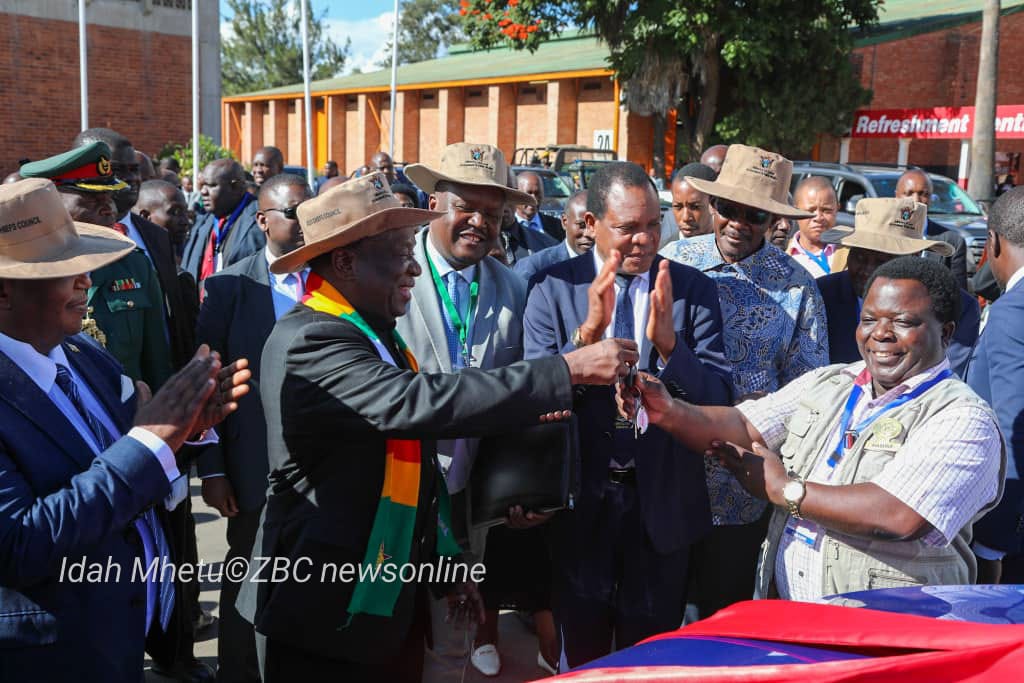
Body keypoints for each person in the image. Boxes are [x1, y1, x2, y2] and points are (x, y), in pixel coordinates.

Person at [234, 173, 638, 682]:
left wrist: (447, 569)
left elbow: (417, 465)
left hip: (387, 599)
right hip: (321, 608)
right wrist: (567, 368)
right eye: (399, 252)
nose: (412, 266)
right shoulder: (312, 340)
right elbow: (418, 404)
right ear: (344, 261)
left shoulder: (374, 333)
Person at [621, 256, 1004, 602]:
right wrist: (668, 411)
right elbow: (742, 423)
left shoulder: (964, 418)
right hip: (799, 626)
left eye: (903, 322)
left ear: (947, 334)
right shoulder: (832, 381)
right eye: (869, 319)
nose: (881, 334)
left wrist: (782, 489)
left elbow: (898, 515)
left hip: (890, 638)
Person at [0, 177, 249, 683]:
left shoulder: (84, 354)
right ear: (6, 290)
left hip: (116, 634)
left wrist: (183, 434)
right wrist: (152, 439)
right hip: (45, 658)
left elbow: (126, 468)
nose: (85, 282)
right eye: (63, 271)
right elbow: (20, 544)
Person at [524, 161, 734, 669]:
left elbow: (719, 397)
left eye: (652, 225)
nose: (642, 240)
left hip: (661, 504)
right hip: (581, 504)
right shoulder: (551, 287)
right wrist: (585, 343)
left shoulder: (690, 289)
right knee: (585, 655)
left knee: (651, 658)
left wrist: (670, 345)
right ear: (592, 224)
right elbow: (531, 397)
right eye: (626, 228)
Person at [400, 144, 557, 676]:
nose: (479, 223)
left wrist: (523, 491)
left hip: (467, 507)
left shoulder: (514, 289)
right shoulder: (389, 273)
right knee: (385, 637)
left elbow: (521, 402)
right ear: (432, 201)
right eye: (465, 206)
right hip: (389, 496)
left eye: (492, 214)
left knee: (453, 637)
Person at [661, 144, 828, 619]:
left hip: (741, 488)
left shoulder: (798, 287)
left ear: (772, 218)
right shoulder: (674, 261)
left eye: (752, 213)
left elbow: (810, 392)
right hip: (670, 472)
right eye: (727, 208)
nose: (737, 222)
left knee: (723, 619)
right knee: (657, 618)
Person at [195, 172, 312, 682]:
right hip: (251, 466)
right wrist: (214, 470)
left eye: (311, 209)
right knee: (247, 575)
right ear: (263, 220)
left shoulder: (334, 276)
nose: (305, 220)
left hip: (322, 464)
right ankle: (238, 671)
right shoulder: (229, 287)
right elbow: (208, 386)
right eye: (293, 212)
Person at [21, 142, 173, 391]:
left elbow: (156, 364)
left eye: (110, 196)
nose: (109, 208)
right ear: (50, 201)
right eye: (91, 198)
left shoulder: (135, 265)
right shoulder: (24, 273)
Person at [74, 128, 197, 373]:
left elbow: (165, 324)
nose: (132, 179)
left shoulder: (156, 236)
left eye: (135, 170)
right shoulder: (47, 251)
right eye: (119, 170)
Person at [817, 197, 979, 378]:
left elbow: (947, 375)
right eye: (860, 257)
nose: (868, 270)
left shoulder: (956, 307)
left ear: (914, 257)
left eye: (882, 261)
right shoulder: (822, 294)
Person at [967, 186, 1024, 585]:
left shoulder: (1010, 313)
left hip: (1009, 541)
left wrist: (991, 543)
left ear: (994, 243)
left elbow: (1015, 430)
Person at [181, 159, 264, 291]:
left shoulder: (259, 220)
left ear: (235, 187)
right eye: (202, 185)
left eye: (211, 185)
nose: (203, 192)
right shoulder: (204, 221)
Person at [894, 169, 969, 292]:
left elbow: (959, 295)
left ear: (931, 198)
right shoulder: (883, 236)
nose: (916, 200)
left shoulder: (952, 242)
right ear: (896, 196)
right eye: (909, 193)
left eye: (923, 194)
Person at [514, 190, 593, 285]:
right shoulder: (534, 268)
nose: (589, 233)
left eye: (595, 225)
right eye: (581, 225)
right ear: (564, 222)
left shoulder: (611, 265)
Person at [787, 177, 848, 278]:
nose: (818, 218)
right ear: (796, 212)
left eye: (826, 210)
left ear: (837, 209)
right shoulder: (781, 255)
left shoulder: (850, 254)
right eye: (810, 211)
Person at [660, 162, 716, 248]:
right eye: (678, 207)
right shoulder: (662, 253)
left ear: (714, 205)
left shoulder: (731, 253)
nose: (685, 217)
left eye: (695, 207)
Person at [135, 179, 191, 263]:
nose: (185, 221)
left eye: (185, 211)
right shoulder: (132, 259)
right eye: (175, 212)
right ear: (145, 216)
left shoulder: (183, 256)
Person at [515, 170, 565, 242]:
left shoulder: (557, 226)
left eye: (537, 193)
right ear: (516, 194)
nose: (534, 199)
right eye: (529, 193)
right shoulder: (505, 227)